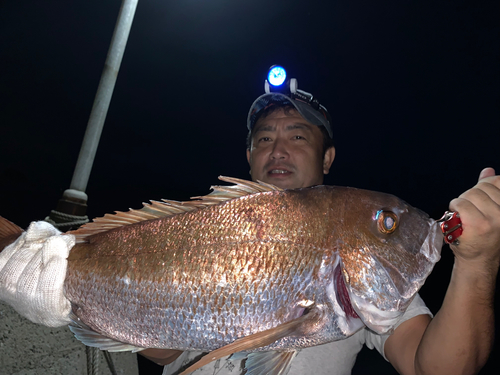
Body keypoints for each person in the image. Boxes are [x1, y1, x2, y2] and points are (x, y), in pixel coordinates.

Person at [1, 74, 499, 375]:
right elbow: (171, 351)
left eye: (297, 135)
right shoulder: (206, 224)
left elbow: (435, 367)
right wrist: (66, 293)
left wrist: (477, 266)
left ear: (328, 158)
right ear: (247, 155)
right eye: (264, 139)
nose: (278, 149)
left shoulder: (372, 279)